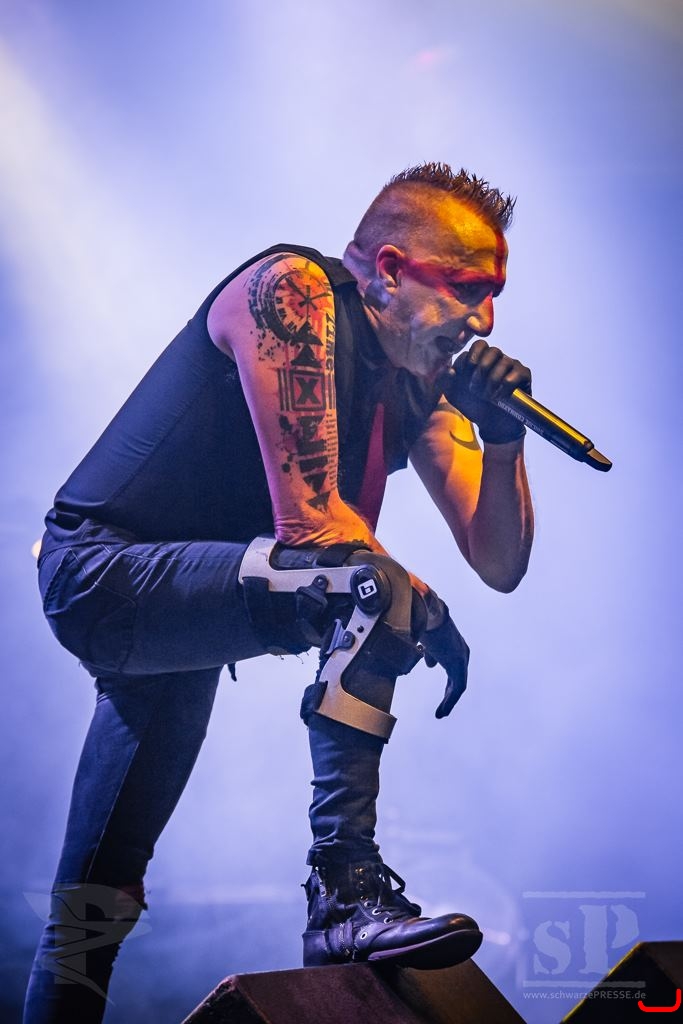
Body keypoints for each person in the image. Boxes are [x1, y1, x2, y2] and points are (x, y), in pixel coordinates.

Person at [23, 162, 534, 1023]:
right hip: (103, 574)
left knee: (92, 911)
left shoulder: (419, 384)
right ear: (390, 271)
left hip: (193, 603)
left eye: (494, 296)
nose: (482, 320)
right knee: (369, 584)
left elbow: (498, 561)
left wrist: (504, 438)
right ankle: (343, 893)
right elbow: (312, 527)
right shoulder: (292, 292)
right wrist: (411, 599)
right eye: (466, 289)